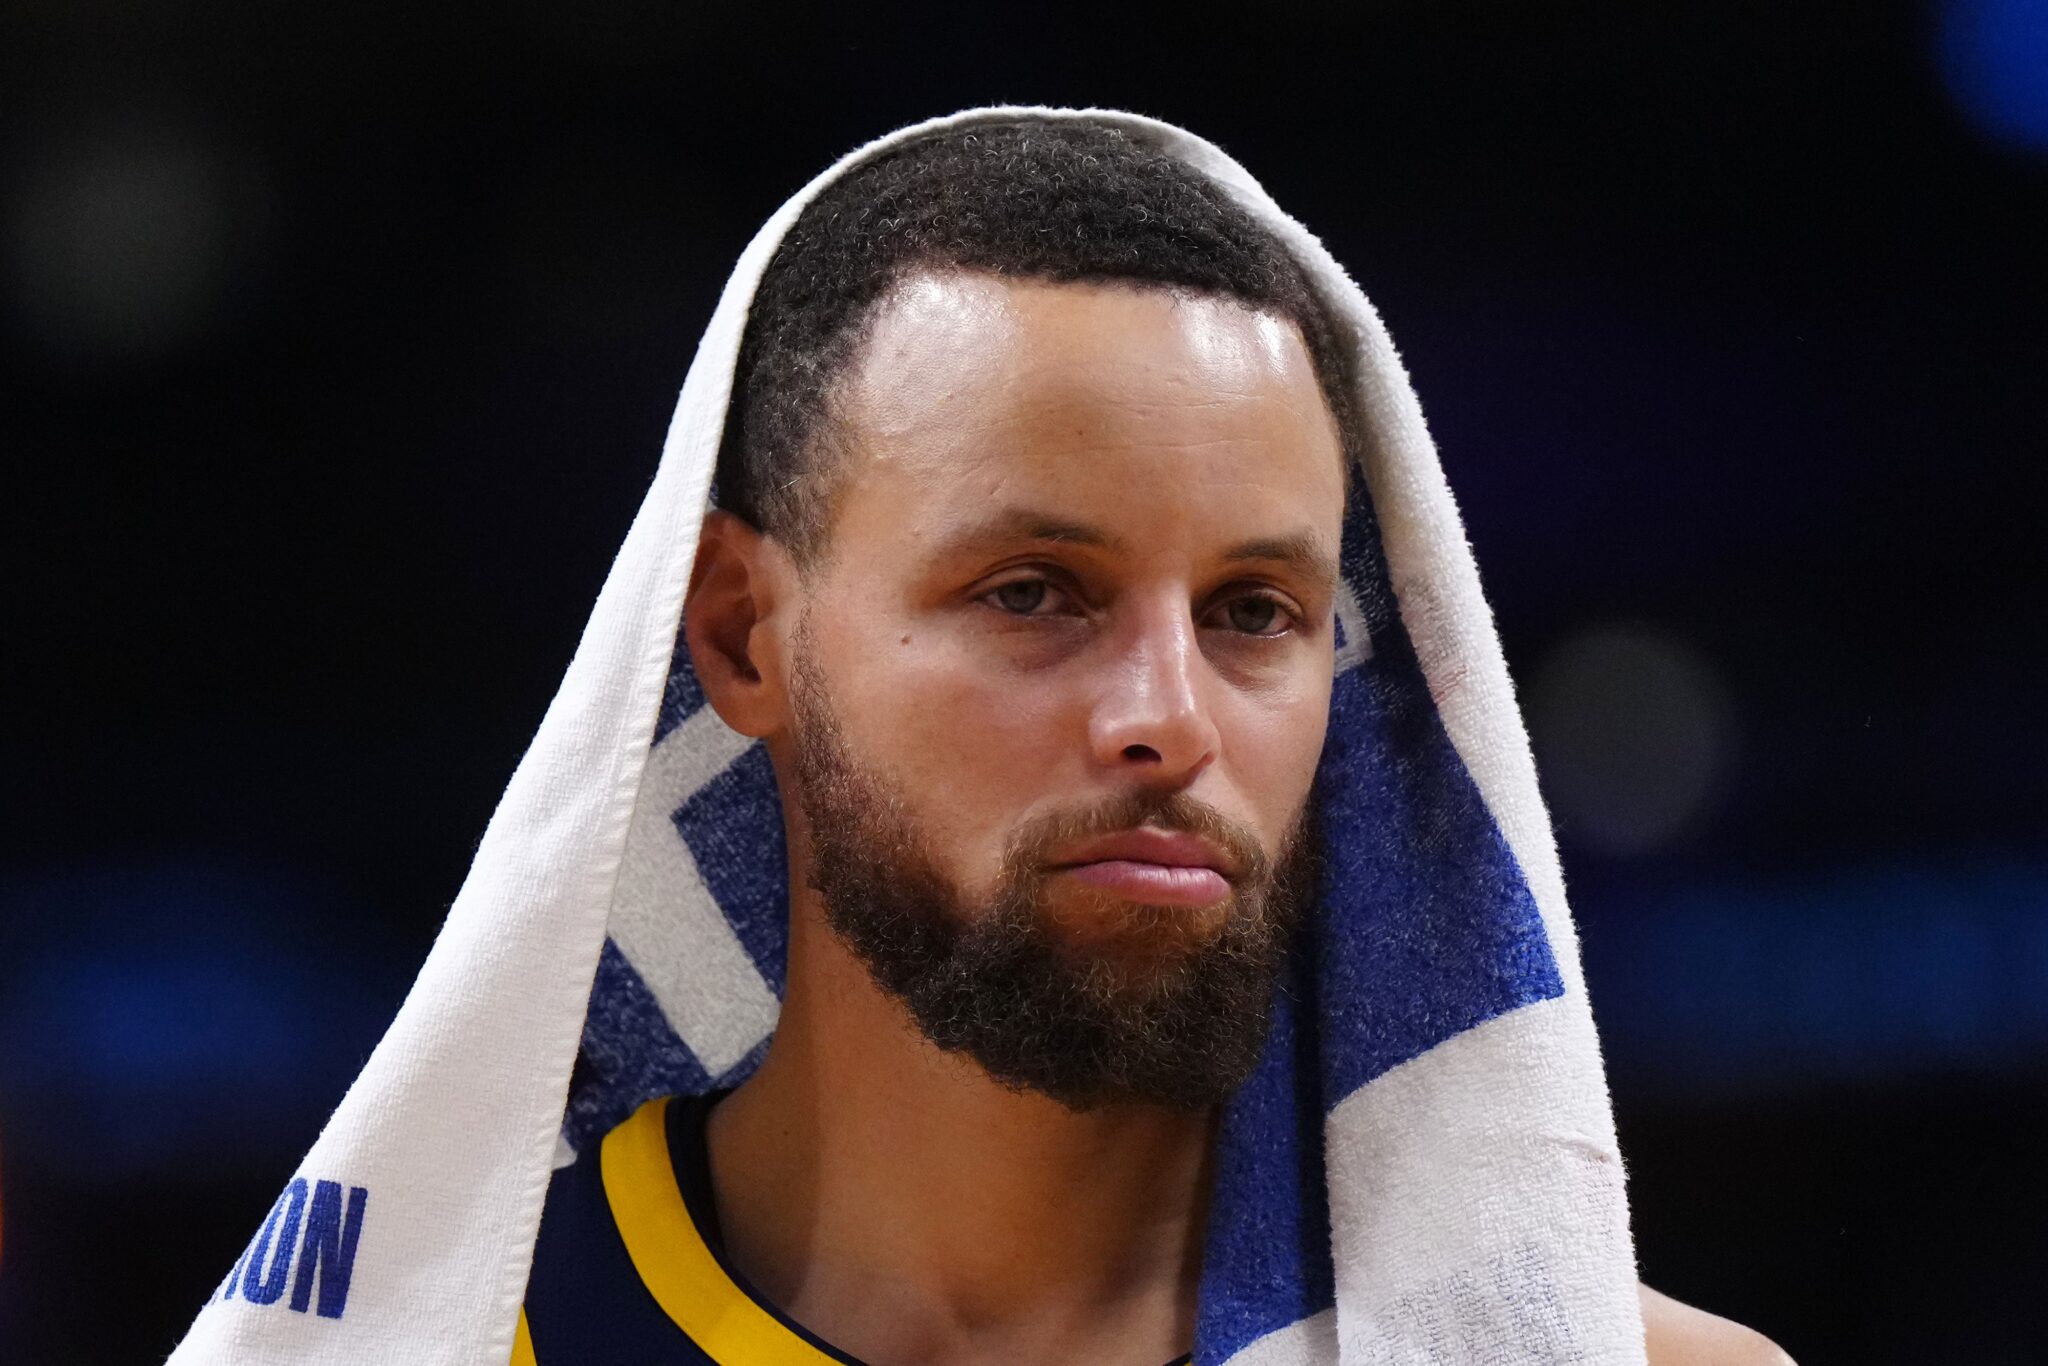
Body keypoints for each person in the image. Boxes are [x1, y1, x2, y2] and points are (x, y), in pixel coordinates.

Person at [508, 118, 1793, 1365]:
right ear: (741, 636)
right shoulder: (454, 1332)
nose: (1170, 719)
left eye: (1253, 611)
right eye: (1031, 593)